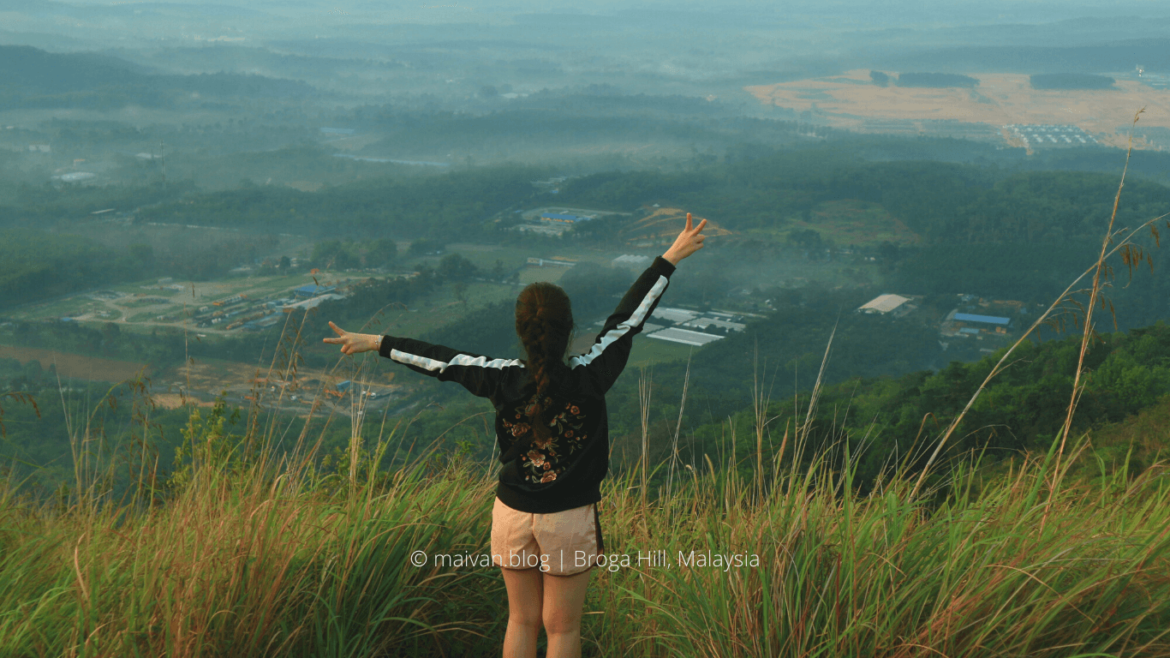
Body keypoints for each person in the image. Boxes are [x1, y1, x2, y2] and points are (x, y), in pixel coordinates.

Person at [324, 213, 708, 658]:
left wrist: (374, 341)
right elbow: (627, 320)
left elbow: (442, 361)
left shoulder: (501, 379)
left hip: (511, 515)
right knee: (562, 630)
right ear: (567, 330)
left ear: (522, 332)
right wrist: (670, 257)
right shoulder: (591, 376)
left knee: (521, 620)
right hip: (567, 518)